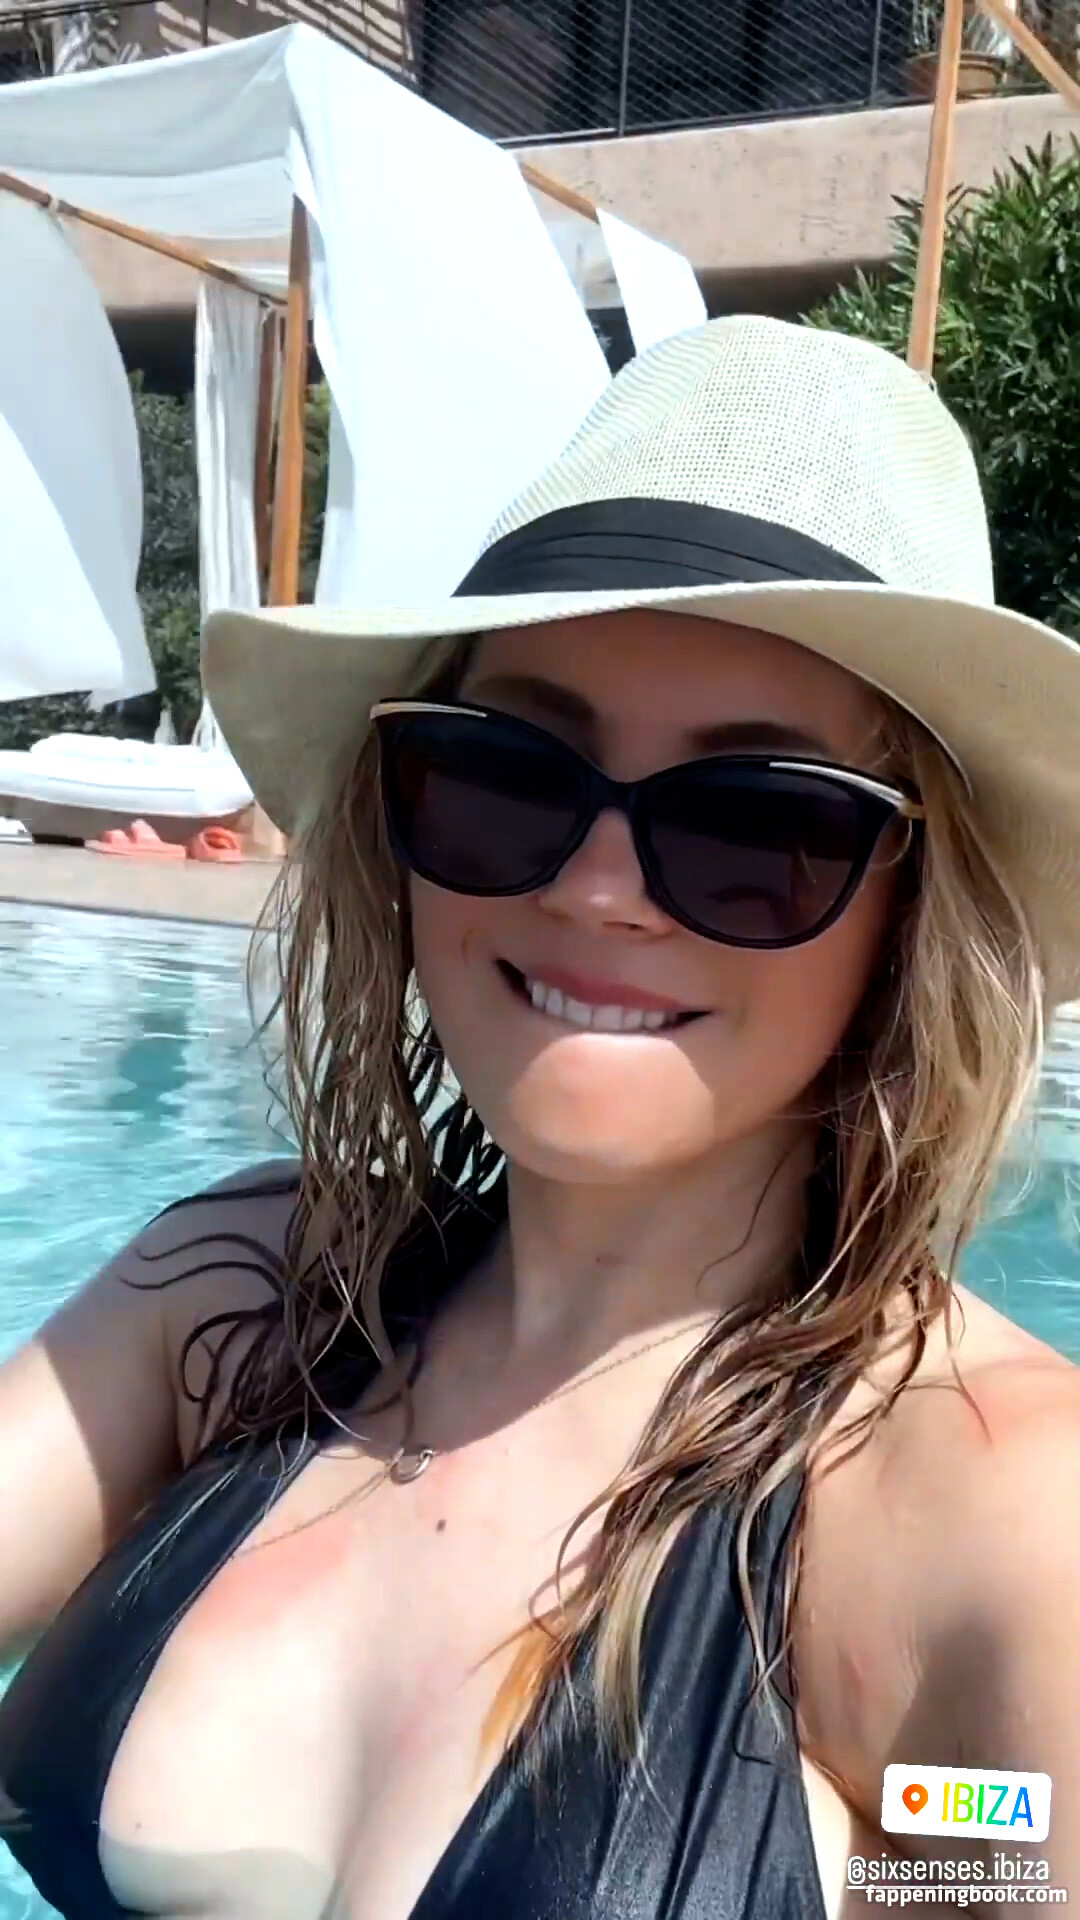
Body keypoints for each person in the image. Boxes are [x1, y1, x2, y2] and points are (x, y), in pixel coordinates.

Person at [1, 315, 1077, 1920]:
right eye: (508, 775)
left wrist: (918, 1857)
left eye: (758, 825)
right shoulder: (243, 1303)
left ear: (910, 913)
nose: (596, 887)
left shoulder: (991, 1507)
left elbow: (1007, 1846)